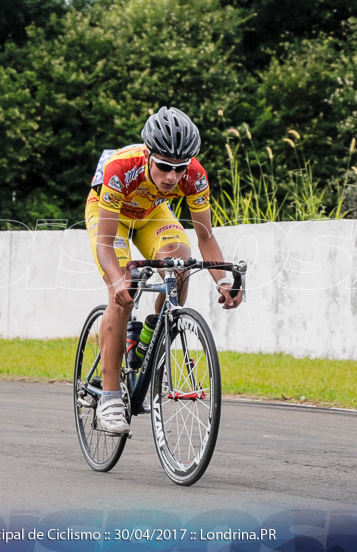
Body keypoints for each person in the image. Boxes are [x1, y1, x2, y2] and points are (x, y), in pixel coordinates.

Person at [84, 106, 243, 434]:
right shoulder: (120, 168)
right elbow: (105, 245)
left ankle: (151, 334)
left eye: (179, 168)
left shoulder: (195, 175)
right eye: (164, 167)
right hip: (109, 216)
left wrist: (223, 280)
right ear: (148, 156)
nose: (172, 177)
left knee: (180, 262)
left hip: (151, 215)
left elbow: (205, 237)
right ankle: (110, 397)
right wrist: (116, 281)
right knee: (122, 290)